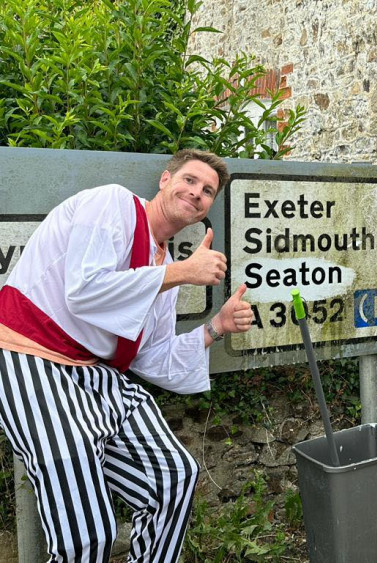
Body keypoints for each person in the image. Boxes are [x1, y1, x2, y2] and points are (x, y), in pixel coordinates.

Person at [0, 149, 254, 562]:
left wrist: (215, 327)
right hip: (31, 356)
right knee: (88, 534)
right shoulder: (112, 204)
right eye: (190, 180)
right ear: (165, 180)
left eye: (208, 191)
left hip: (95, 375)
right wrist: (183, 274)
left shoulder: (165, 261)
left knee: (174, 478)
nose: (197, 193)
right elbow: (85, 291)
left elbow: (150, 356)